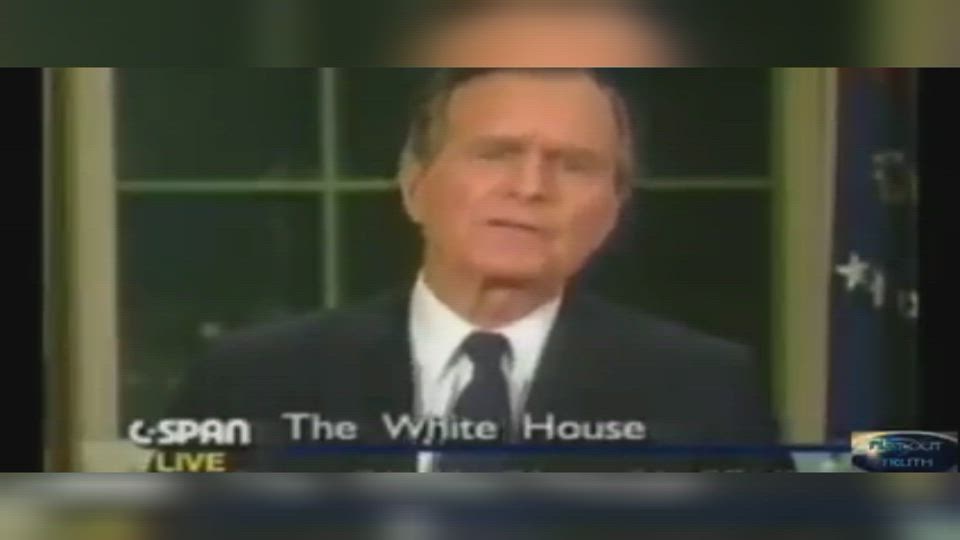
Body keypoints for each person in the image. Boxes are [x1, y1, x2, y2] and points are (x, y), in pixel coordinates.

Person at [155, 69, 791, 472]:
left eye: (573, 165)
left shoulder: (703, 392)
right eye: (495, 155)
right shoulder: (249, 382)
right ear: (415, 184)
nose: (530, 188)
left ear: (613, 209)